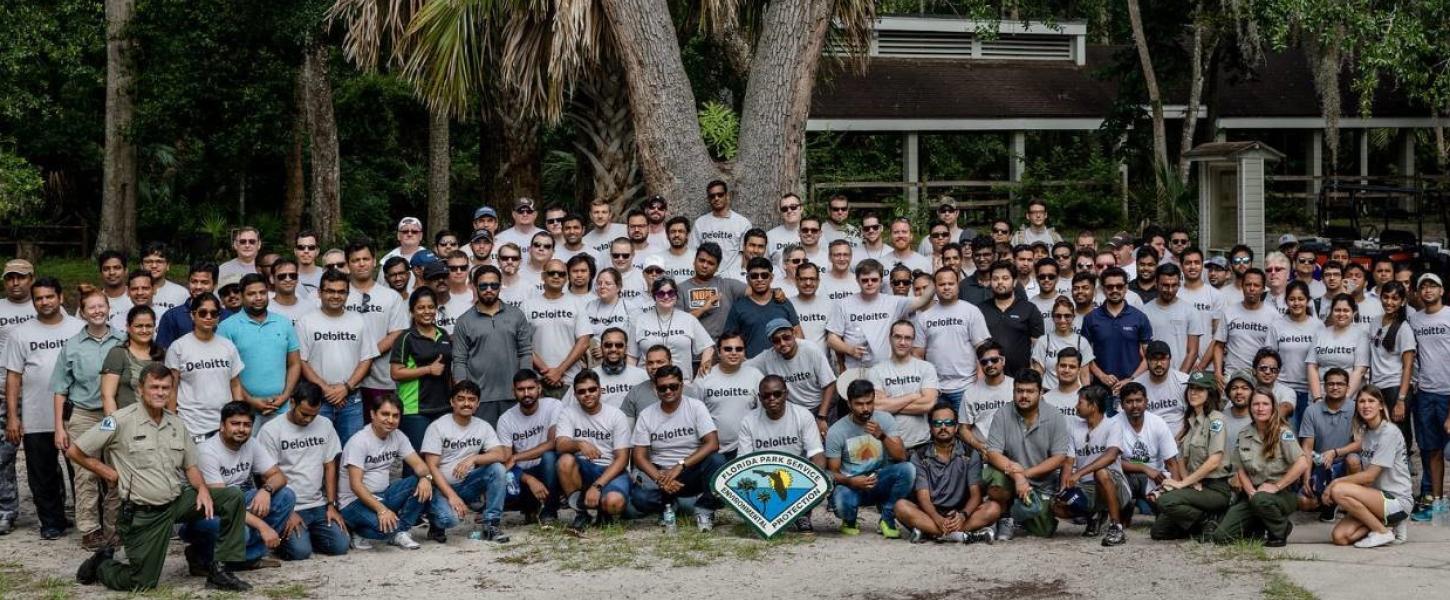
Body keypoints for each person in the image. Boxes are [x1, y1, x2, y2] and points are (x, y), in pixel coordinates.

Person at [69, 363, 250, 591]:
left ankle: (220, 571)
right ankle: (103, 564)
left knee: (232, 496)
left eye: (166, 388)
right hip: (145, 513)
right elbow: (76, 451)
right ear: (140, 389)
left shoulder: (176, 422)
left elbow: (191, 465)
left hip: (176, 501)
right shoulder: (120, 420)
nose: (160, 393)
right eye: (154, 387)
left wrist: (203, 489)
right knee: (142, 583)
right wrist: (107, 472)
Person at [4, 276, 83, 539]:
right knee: (41, 473)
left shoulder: (78, 328)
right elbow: (13, 376)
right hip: (36, 414)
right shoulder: (20, 334)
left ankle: (88, 522)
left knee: (81, 472)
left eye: (49, 296)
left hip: (76, 415)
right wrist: (14, 417)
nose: (44, 302)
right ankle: (52, 522)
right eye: (39, 298)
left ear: (61, 298)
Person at [49, 289, 124, 548]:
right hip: (84, 414)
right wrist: (60, 427)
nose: (97, 311)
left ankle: (114, 530)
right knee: (85, 474)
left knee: (117, 472)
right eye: (91, 307)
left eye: (101, 306)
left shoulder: (123, 341)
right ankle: (90, 530)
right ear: (82, 312)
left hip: (115, 414)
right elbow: (60, 389)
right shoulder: (72, 346)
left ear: (108, 308)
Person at [186, 401, 292, 569]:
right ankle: (203, 555)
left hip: (237, 500)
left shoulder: (251, 444)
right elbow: (223, 503)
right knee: (243, 533)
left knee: (286, 496)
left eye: (247, 425)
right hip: (205, 512)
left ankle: (244, 559)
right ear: (222, 426)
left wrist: (266, 490)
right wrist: (263, 526)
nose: (241, 429)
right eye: (235, 424)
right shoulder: (207, 451)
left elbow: (279, 476)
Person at [255, 383, 349, 561]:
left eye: (314, 415)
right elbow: (265, 475)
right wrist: (286, 512)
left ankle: (307, 534)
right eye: (304, 414)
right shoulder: (271, 430)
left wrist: (331, 505)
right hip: (289, 505)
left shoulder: (325, 425)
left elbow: (329, 465)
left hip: (317, 504)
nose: (308, 420)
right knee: (300, 553)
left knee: (340, 546)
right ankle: (289, 536)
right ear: (292, 402)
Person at [1211, 386, 1310, 547]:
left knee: (1262, 501)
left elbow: (1302, 463)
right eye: (1256, 404)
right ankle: (1259, 525)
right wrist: (1250, 491)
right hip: (1254, 495)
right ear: (1250, 408)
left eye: (1265, 404)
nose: (1260, 408)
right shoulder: (1244, 434)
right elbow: (1240, 468)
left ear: (1273, 407)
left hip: (1281, 495)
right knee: (1221, 537)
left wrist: (1277, 486)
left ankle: (1281, 530)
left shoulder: (1283, 432)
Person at [630, 365, 725, 531]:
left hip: (689, 471)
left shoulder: (695, 407)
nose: (668, 391)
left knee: (717, 460)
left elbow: (712, 443)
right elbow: (639, 456)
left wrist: (680, 465)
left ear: (681, 386)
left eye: (673, 386)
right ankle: (669, 504)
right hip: (661, 473)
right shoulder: (647, 414)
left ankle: (704, 509)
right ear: (656, 389)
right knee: (639, 498)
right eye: (662, 387)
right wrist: (660, 478)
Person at [982, 369, 1071, 540]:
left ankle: (1019, 515)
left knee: (1044, 531)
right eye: (1019, 391)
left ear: (1040, 393)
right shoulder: (1002, 414)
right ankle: (1005, 515)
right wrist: (1017, 477)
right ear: (1013, 391)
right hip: (1008, 476)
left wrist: (1025, 475)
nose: (1024, 396)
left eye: (1030, 391)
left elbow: (1059, 458)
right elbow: (993, 453)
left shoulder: (1055, 416)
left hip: (1041, 482)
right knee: (996, 481)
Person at [339, 395, 435, 551]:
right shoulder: (359, 441)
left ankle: (399, 531)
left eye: (395, 416)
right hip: (353, 502)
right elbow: (355, 485)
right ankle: (361, 530)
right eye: (385, 414)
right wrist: (382, 510)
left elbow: (419, 465)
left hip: (383, 495)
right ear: (372, 414)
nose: (390, 420)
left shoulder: (398, 436)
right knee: (386, 529)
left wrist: (426, 477)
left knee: (421, 482)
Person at [894, 405, 1000, 544]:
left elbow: (976, 495)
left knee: (994, 508)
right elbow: (923, 497)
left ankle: (931, 533)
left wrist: (962, 516)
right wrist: (938, 519)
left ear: (956, 428)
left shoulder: (970, 453)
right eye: (937, 423)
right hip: (930, 513)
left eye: (949, 423)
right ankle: (961, 535)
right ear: (931, 428)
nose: (943, 427)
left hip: (960, 512)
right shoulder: (918, 455)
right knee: (901, 506)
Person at [420, 381, 510, 543]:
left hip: (467, 485)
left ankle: (491, 524)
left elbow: (501, 454)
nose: (466, 403)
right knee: (451, 520)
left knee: (498, 469)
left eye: (471, 399)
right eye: (461, 399)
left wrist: (474, 458)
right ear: (452, 402)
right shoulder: (438, 427)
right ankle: (436, 525)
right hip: (439, 489)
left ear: (477, 404)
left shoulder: (483, 426)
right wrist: (452, 496)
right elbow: (431, 467)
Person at [824, 379, 913, 538]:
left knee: (908, 470)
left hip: (880, 480)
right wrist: (852, 481)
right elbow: (832, 473)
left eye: (869, 402)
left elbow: (901, 456)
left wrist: (882, 436)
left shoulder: (885, 419)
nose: (865, 408)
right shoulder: (837, 431)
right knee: (840, 501)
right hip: (852, 484)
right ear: (849, 404)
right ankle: (849, 520)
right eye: (859, 404)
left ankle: (887, 518)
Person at [296, 269, 375, 446]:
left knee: (352, 451)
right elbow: (302, 361)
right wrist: (326, 389)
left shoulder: (359, 321)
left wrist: (346, 388)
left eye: (341, 292)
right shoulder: (306, 322)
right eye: (330, 291)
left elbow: (367, 359)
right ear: (319, 292)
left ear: (348, 294)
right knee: (317, 452)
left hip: (351, 399)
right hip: (317, 400)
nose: (336, 296)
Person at [1324, 387, 1412, 547]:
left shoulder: (1389, 432)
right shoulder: (1369, 431)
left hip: (1396, 500)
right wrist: (1336, 452)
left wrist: (1333, 483)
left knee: (1339, 490)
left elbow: (1369, 476)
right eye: (1362, 401)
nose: (1366, 405)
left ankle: (1383, 532)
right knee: (1340, 537)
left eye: (1371, 401)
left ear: (1380, 405)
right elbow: (1360, 445)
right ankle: (1388, 526)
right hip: (1375, 499)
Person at [1152, 371, 1231, 540]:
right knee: (1159, 532)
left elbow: (1214, 461)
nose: (1193, 393)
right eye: (1191, 388)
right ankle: (1202, 524)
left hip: (1215, 487)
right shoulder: (1190, 420)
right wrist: (1191, 482)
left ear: (1209, 393)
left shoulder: (1216, 420)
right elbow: (1181, 458)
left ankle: (1208, 519)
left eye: (1199, 389)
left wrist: (1182, 484)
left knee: (1166, 501)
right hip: (1196, 485)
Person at [452, 265, 534, 425]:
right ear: (474, 287)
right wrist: (464, 396)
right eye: (483, 285)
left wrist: (525, 387)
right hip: (479, 399)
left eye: (494, 285)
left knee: (517, 448)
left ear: (500, 286)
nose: (489, 289)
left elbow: (525, 352)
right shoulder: (464, 321)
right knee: (485, 448)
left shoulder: (516, 315)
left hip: (514, 395)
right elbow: (459, 361)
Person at [556, 370, 634, 532]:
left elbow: (622, 459)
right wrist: (579, 444)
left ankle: (603, 512)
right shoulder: (568, 412)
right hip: (584, 468)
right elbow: (560, 444)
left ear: (600, 390)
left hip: (611, 470)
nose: (587, 395)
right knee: (564, 461)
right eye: (582, 391)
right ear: (575, 395)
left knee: (614, 503)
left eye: (592, 389)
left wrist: (597, 486)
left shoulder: (615, 415)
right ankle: (581, 512)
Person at [218, 274, 300, 425]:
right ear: (241, 296)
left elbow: (294, 363)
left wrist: (285, 396)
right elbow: (226, 372)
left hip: (282, 408)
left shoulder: (284, 323)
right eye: (251, 294)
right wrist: (250, 400)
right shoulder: (226, 327)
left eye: (262, 293)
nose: (258, 297)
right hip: (245, 412)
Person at [342, 241, 409, 423]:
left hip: (382, 379)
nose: (361, 263)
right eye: (355, 260)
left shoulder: (390, 296)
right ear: (348, 265)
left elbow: (397, 333)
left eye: (366, 259)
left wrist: (367, 356)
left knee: (383, 431)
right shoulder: (339, 294)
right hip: (346, 380)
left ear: (374, 261)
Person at [828, 259, 932, 371]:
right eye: (865, 280)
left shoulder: (893, 302)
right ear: (857, 280)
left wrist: (936, 276)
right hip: (856, 370)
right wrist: (849, 349)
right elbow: (832, 339)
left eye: (874, 280)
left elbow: (923, 299)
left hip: (887, 371)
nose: (869, 283)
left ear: (881, 280)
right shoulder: (843, 304)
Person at [165, 294, 245, 439]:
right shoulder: (178, 347)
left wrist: (239, 417)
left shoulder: (228, 346)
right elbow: (172, 388)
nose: (208, 317)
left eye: (213, 313)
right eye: (203, 313)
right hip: (191, 427)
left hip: (224, 426)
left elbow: (235, 385)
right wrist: (172, 423)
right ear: (192, 315)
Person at [1060, 384, 1130, 546]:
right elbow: (1069, 462)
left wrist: (1079, 473)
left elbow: (1111, 456)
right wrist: (1064, 488)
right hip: (1088, 487)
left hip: (1114, 483)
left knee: (1101, 472)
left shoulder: (1113, 424)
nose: (1076, 406)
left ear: (1093, 406)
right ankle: (1095, 516)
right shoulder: (1074, 426)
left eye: (1080, 403)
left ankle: (1116, 527)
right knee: (1057, 506)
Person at [915, 267, 992, 413]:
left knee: (966, 430)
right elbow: (917, 354)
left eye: (951, 283)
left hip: (966, 386)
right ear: (935, 287)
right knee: (940, 432)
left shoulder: (971, 311)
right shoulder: (924, 317)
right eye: (942, 284)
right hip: (935, 389)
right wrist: (926, 386)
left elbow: (983, 350)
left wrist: (980, 384)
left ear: (958, 285)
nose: (946, 287)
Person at [389, 287, 453, 449]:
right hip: (415, 410)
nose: (427, 311)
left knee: (440, 458)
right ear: (412, 311)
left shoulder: (443, 334)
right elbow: (395, 373)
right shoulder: (406, 337)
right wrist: (428, 369)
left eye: (431, 307)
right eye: (421, 307)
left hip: (443, 406)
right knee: (416, 461)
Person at [497, 370, 563, 523]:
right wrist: (528, 479)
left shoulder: (554, 405)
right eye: (521, 389)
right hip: (523, 474)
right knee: (504, 475)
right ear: (514, 392)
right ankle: (529, 508)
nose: (526, 393)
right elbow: (507, 461)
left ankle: (549, 512)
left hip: (548, 469)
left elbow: (553, 443)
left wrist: (517, 456)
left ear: (539, 389)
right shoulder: (505, 419)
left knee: (549, 457)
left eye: (531, 388)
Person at [1410, 273, 1450, 518]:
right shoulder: (1415, 320)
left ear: (1442, 291)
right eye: (1422, 287)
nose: (1427, 290)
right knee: (1431, 450)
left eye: (1432, 286)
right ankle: (1438, 506)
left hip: (1448, 392)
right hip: (1426, 392)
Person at [1298, 367, 1361, 520]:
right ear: (1324, 386)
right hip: (1321, 467)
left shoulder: (1356, 408)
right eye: (1331, 384)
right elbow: (1307, 448)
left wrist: (1335, 452)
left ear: (1347, 387)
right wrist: (1306, 478)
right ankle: (1329, 502)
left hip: (1346, 465)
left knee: (1353, 460)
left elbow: (1361, 443)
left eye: (1340, 384)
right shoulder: (1311, 411)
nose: (1335, 387)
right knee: (1304, 502)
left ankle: (1349, 501)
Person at [688, 332, 763, 457]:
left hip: (750, 447)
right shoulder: (704, 376)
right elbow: (693, 414)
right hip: (715, 452)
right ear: (719, 352)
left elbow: (764, 412)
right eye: (728, 349)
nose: (733, 353)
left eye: (739, 349)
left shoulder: (755, 375)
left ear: (744, 352)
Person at [1113, 381, 1182, 516]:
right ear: (1121, 405)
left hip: (1156, 477)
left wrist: (1176, 492)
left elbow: (1171, 462)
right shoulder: (1114, 423)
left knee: (1164, 510)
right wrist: (1144, 468)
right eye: (1129, 401)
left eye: (1138, 400)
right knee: (1109, 478)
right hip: (1127, 476)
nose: (1134, 406)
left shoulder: (1158, 423)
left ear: (1146, 402)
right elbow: (1112, 461)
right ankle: (1123, 509)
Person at [867, 320, 939, 451]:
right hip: (888, 443)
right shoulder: (875, 371)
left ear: (913, 341)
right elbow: (876, 406)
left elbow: (928, 404)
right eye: (898, 337)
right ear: (890, 338)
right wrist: (913, 396)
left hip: (921, 443)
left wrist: (889, 403)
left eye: (908, 338)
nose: (902, 342)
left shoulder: (926, 368)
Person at [526, 259, 591, 396]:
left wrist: (559, 371)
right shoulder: (527, 305)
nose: (556, 276)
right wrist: (547, 372)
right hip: (538, 383)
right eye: (552, 273)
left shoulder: (577, 303)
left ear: (567, 278)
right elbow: (522, 344)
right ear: (543, 276)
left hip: (571, 381)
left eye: (561, 274)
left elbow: (584, 342)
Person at [1081, 267, 1150, 393]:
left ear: (1126, 288)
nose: (1115, 290)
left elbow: (1148, 356)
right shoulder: (1091, 318)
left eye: (1119, 286)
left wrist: (1131, 379)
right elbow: (1084, 355)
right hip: (1100, 388)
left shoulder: (1139, 317)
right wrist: (1102, 376)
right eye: (1110, 287)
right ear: (1103, 289)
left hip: (1133, 387)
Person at [633, 277, 713, 382]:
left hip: (682, 384)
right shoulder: (639, 320)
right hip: (646, 383)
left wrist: (701, 376)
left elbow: (708, 347)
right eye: (661, 294)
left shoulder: (688, 319)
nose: (666, 297)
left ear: (676, 295)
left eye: (671, 293)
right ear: (654, 296)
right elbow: (631, 357)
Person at [1368, 281, 1415, 448]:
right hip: (1377, 387)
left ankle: (1405, 468)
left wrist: (1401, 400)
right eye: (1386, 297)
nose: (1389, 302)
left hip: (1395, 387)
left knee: (1399, 434)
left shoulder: (1404, 328)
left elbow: (1408, 366)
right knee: (1381, 433)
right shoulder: (1375, 322)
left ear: (1402, 301)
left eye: (1395, 298)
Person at [1306, 294, 1370, 404]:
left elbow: (1359, 371)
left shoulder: (1360, 335)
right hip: (1320, 397)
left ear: (1353, 312)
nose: (1341, 314)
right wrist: (1317, 398)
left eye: (1346, 310)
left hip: (1349, 399)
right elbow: (1311, 366)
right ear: (1331, 311)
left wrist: (1344, 399)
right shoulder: (1320, 333)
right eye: (1337, 310)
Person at [1213, 267, 1276, 378]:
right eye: (1248, 284)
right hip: (1231, 376)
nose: (1252, 288)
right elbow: (1219, 346)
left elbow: (1276, 351)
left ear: (1263, 289)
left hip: (1260, 377)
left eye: (1256, 285)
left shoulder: (1273, 315)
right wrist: (1218, 372)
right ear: (1242, 286)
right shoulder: (1229, 312)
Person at [1142, 264, 1203, 372]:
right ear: (1156, 283)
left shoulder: (1190, 311)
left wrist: (1180, 379)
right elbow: (1142, 350)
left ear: (1179, 284)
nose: (1170, 290)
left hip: (1180, 375)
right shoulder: (1144, 311)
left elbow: (1192, 352)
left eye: (1174, 285)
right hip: (1151, 376)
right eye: (1165, 285)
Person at [101, 305, 162, 414]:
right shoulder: (118, 353)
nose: (144, 330)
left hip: (157, 422)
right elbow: (107, 396)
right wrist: (114, 427)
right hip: (126, 422)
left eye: (149, 326)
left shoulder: (162, 354)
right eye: (139, 326)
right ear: (128, 327)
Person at [1032, 297, 1093, 391]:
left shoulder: (1082, 342)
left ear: (1073, 317)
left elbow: (1084, 376)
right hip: (1049, 393)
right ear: (1052, 317)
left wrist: (1087, 398)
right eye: (1058, 316)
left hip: (1074, 396)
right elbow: (1037, 374)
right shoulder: (1043, 341)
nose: (1062, 320)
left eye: (1067, 316)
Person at [692, 180, 753, 275]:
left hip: (733, 278)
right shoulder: (700, 223)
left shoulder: (742, 223)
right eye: (712, 196)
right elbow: (692, 252)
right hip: (707, 278)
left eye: (720, 194)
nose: (716, 198)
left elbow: (747, 255)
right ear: (708, 199)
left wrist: (743, 274)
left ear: (727, 196)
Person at [156, 262, 220, 351]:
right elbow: (162, 352)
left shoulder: (226, 317)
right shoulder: (172, 316)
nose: (198, 287)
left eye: (204, 282)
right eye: (194, 281)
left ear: (215, 285)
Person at [1131, 341, 1189, 431]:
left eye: (1163, 359)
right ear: (1147, 360)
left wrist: (1180, 438)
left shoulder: (1183, 381)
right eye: (1154, 359)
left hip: (1180, 439)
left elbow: (1192, 416)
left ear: (1169, 359)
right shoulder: (1136, 385)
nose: (1159, 364)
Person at [266, 258, 311, 326]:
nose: (288, 279)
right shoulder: (266, 309)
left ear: (297, 278)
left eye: (292, 276)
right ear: (272, 279)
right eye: (282, 276)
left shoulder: (310, 308)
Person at [766, 193, 803, 262]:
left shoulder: (812, 233)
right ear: (781, 212)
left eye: (793, 207)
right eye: (784, 209)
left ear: (801, 208)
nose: (789, 211)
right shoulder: (770, 236)